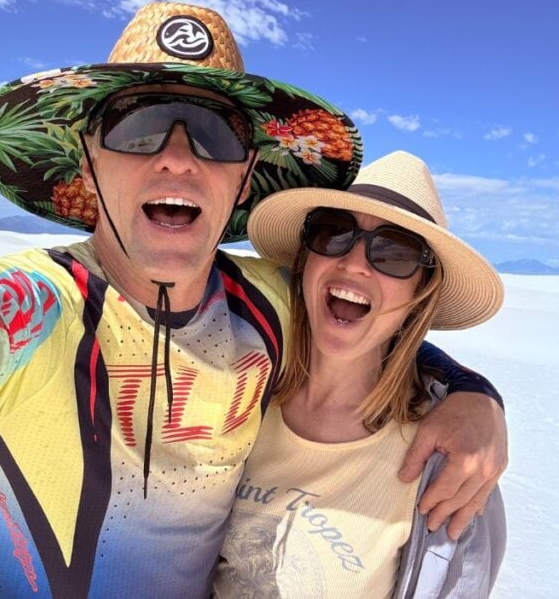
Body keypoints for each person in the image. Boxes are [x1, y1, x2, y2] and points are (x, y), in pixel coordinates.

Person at [0, 3, 506, 597]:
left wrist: (474, 395)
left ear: (243, 177)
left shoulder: (272, 305)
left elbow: (377, 326)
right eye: (138, 127)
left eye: (214, 133)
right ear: (89, 158)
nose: (177, 156)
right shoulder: (25, 308)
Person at [215, 151, 505, 597]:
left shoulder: (451, 465)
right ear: (304, 261)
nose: (354, 263)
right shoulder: (235, 394)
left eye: (395, 251)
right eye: (333, 233)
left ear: (419, 291)